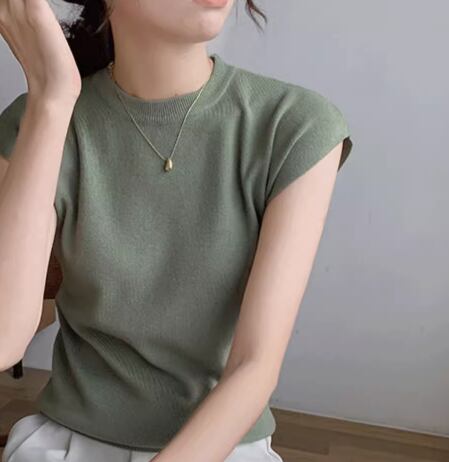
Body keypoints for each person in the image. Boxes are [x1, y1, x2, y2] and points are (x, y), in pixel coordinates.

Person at [0, 0, 354, 461]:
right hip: (68, 444)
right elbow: (4, 341)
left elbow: (255, 366)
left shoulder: (293, 125)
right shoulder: (38, 120)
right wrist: (51, 97)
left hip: (221, 446)